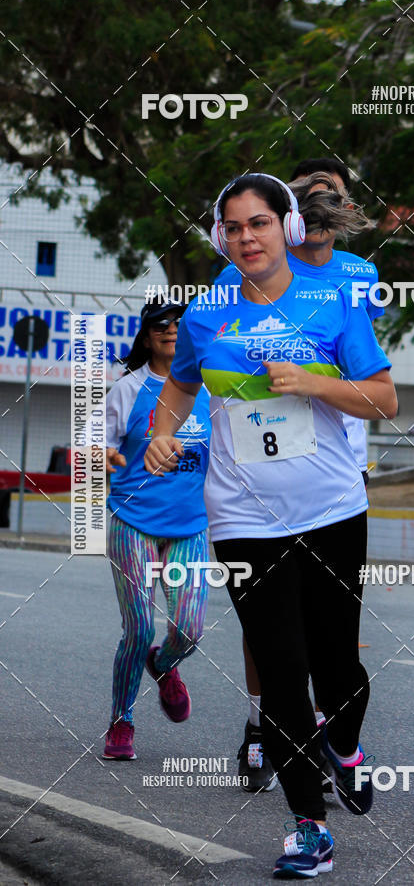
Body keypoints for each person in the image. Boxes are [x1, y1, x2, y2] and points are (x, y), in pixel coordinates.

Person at [144, 173, 397, 877]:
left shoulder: (332, 301)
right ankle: (306, 825)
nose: (245, 237)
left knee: (336, 664)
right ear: (221, 236)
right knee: (281, 667)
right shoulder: (205, 313)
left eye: (258, 223)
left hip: (332, 509)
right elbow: (181, 385)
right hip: (243, 516)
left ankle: (345, 746)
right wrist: (163, 435)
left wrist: (312, 381)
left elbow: (382, 399)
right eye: (232, 227)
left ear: (284, 227)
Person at [215, 166, 384, 791]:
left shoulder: (358, 276)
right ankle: (268, 724)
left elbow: (369, 366)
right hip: (255, 477)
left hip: (337, 452)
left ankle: (338, 734)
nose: (319, 197)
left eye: (329, 188)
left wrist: (321, 379)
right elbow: (211, 360)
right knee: (275, 631)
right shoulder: (240, 278)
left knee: (333, 640)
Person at [103, 298, 211, 760]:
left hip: (190, 526)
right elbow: (95, 443)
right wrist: (100, 453)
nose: (171, 329)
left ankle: (164, 666)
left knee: (189, 629)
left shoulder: (213, 389)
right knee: (140, 625)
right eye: (161, 324)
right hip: (134, 521)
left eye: (179, 323)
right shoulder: (127, 390)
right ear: (147, 337)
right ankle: (121, 720)